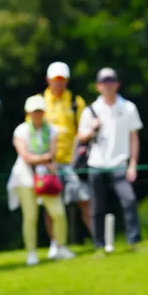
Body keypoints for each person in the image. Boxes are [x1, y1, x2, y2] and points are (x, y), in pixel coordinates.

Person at [78, 68, 144, 254]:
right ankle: (98, 244)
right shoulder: (91, 110)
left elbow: (134, 138)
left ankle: (134, 240)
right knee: (96, 207)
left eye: (111, 82)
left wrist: (133, 164)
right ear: (98, 86)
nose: (108, 86)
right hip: (96, 163)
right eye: (104, 82)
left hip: (120, 163)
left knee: (129, 200)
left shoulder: (128, 107)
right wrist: (92, 129)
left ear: (117, 84)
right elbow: (81, 137)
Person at [7, 95, 75, 266]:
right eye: (34, 111)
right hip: (25, 177)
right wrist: (44, 158)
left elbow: (52, 153)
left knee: (58, 213)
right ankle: (31, 252)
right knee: (30, 216)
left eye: (39, 111)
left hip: (46, 177)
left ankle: (61, 247)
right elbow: (25, 156)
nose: (37, 114)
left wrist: (40, 158)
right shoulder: (21, 130)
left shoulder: (51, 130)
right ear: (28, 112)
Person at [38, 62, 92, 257]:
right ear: (48, 80)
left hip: (73, 161)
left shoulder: (76, 102)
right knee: (51, 206)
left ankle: (98, 240)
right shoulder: (39, 102)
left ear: (67, 80)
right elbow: (33, 132)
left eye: (62, 80)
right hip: (48, 162)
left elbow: (84, 129)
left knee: (84, 200)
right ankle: (56, 244)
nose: (59, 83)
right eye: (55, 80)